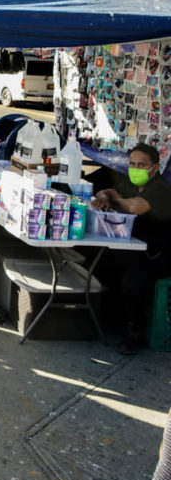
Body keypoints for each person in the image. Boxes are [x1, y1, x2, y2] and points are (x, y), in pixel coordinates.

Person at [92, 143, 171, 355]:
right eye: (132, 164)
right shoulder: (131, 185)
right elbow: (106, 191)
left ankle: (134, 332)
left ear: (154, 167)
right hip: (136, 246)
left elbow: (135, 207)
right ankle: (108, 317)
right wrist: (105, 197)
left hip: (159, 254)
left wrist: (115, 199)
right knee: (99, 262)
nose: (136, 168)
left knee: (132, 281)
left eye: (141, 165)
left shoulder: (161, 188)